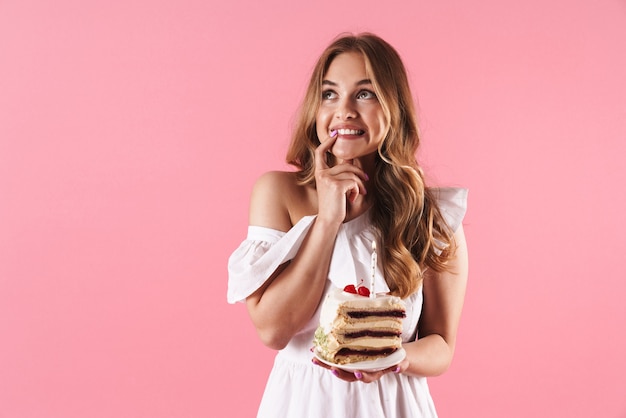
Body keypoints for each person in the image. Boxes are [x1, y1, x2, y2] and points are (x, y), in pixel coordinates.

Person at [227, 32, 468, 417]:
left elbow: (442, 346)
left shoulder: (432, 215)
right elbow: (273, 331)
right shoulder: (279, 193)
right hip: (304, 405)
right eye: (329, 94)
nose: (344, 111)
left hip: (394, 405)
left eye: (365, 93)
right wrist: (327, 220)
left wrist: (395, 358)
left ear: (395, 107)